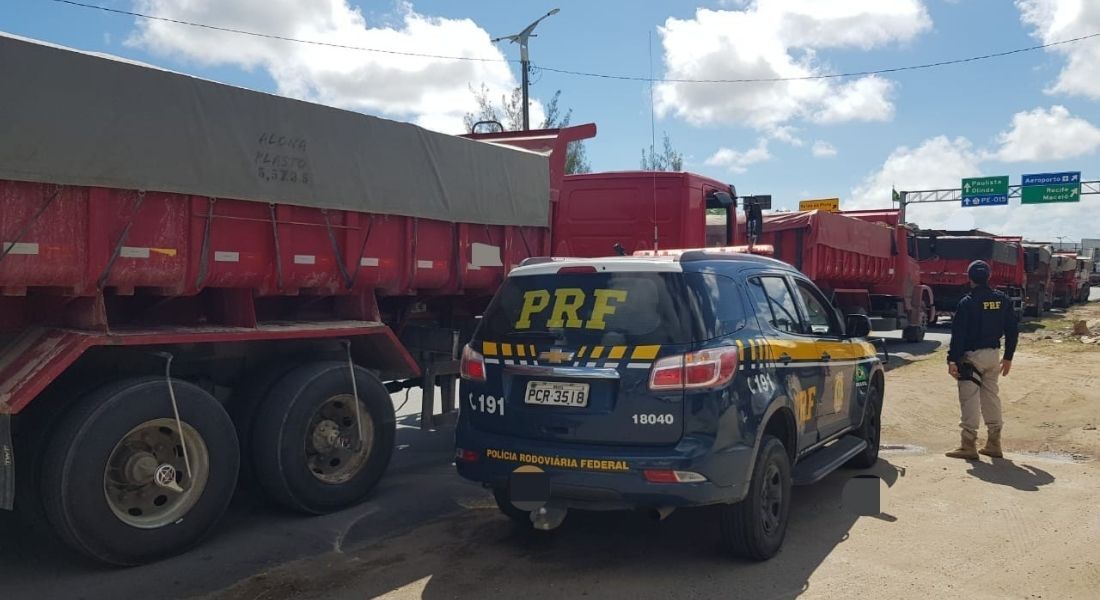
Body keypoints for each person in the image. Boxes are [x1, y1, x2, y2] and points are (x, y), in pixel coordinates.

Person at [945, 260, 1019, 460]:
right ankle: (994, 443)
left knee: (969, 399)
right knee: (991, 397)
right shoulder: (1002, 300)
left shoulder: (967, 303)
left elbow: (958, 335)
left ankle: (968, 445)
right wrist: (1008, 356)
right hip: (993, 356)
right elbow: (1012, 329)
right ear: (988, 276)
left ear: (969, 277)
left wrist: (952, 360)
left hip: (971, 358)